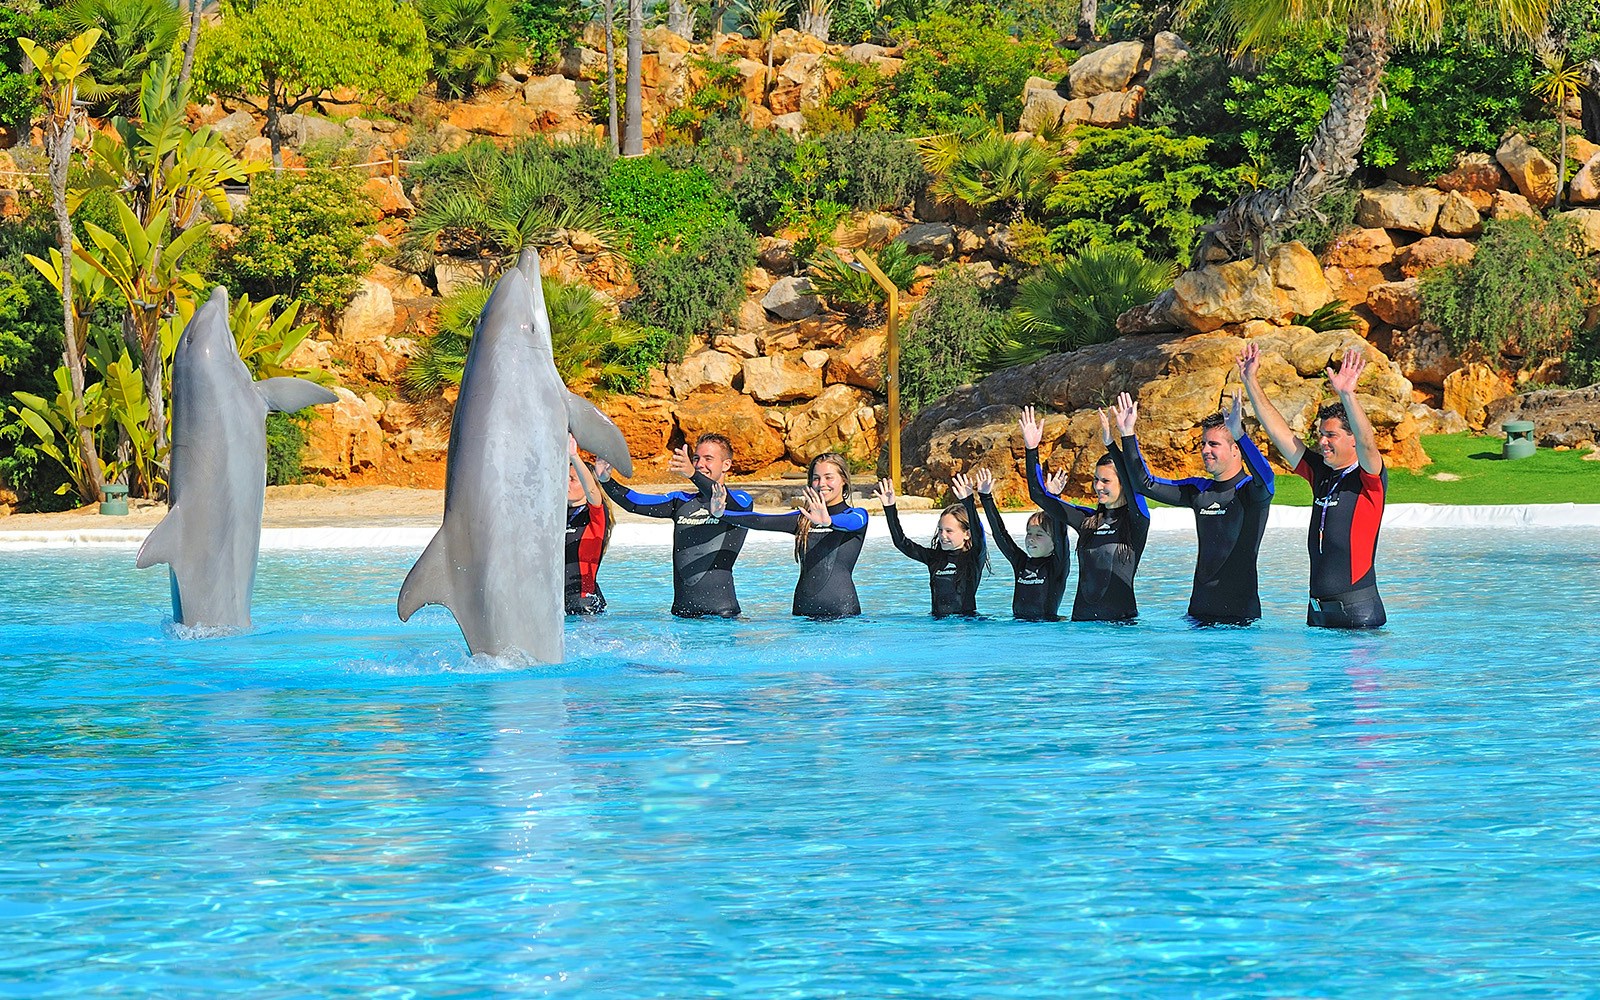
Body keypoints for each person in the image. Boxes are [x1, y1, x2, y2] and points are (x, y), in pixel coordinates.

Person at [1240, 343, 1388, 628]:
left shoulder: (1368, 480)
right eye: (1321, 434)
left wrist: (1347, 395)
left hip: (1358, 615)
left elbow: (1369, 444)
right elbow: (1279, 432)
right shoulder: (1320, 473)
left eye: (1331, 435)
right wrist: (1251, 382)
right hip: (1317, 614)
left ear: (1352, 439)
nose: (1322, 442)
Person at [1124, 391, 1274, 624]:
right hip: (1198, 613)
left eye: (1213, 444)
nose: (1205, 450)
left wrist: (1241, 436)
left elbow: (1266, 479)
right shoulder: (1199, 490)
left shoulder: (1250, 492)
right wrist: (1127, 435)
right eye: (1203, 443)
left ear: (1236, 450)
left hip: (1240, 617)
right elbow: (1145, 484)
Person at [1017, 400, 1151, 621]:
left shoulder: (1136, 520)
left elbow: (1137, 483)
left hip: (1123, 629)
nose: (1098, 486)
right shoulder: (1087, 520)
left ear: (1123, 484)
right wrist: (1031, 450)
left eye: (1105, 481)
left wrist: (1116, 443)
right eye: (1096, 479)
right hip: (1081, 627)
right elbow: (1038, 496)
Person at [595, 434, 752, 618]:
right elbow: (635, 503)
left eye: (708, 459)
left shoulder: (740, 501)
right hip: (682, 616)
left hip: (723, 616)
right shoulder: (681, 501)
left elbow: (731, 502)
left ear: (726, 465)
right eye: (696, 458)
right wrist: (606, 481)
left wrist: (692, 475)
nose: (700, 464)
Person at [720, 452, 869, 618]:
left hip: (843, 613)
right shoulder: (803, 519)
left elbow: (850, 523)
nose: (822, 484)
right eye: (816, 478)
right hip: (802, 613)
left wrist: (828, 522)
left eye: (829, 477)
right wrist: (721, 514)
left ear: (844, 480)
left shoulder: (856, 515)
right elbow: (761, 521)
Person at [876, 473, 987, 618]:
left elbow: (979, 534)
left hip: (966, 623)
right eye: (940, 530)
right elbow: (901, 543)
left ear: (967, 534)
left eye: (949, 531)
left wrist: (968, 502)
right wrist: (890, 508)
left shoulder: (973, 557)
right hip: (937, 624)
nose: (943, 535)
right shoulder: (934, 558)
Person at [972, 466, 1070, 621]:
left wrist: (1054, 499)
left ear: (1053, 543)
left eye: (1039, 534)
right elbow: (1000, 534)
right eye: (1029, 533)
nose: (1031, 538)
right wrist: (986, 497)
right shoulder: (1021, 563)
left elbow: (1061, 533)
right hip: (1018, 626)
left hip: (1047, 628)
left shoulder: (1057, 565)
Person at [565, 434, 610, 615]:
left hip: (586, 606)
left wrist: (574, 456)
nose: (565, 482)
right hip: (558, 605)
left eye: (572, 479)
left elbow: (592, 491)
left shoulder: (595, 517)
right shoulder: (556, 516)